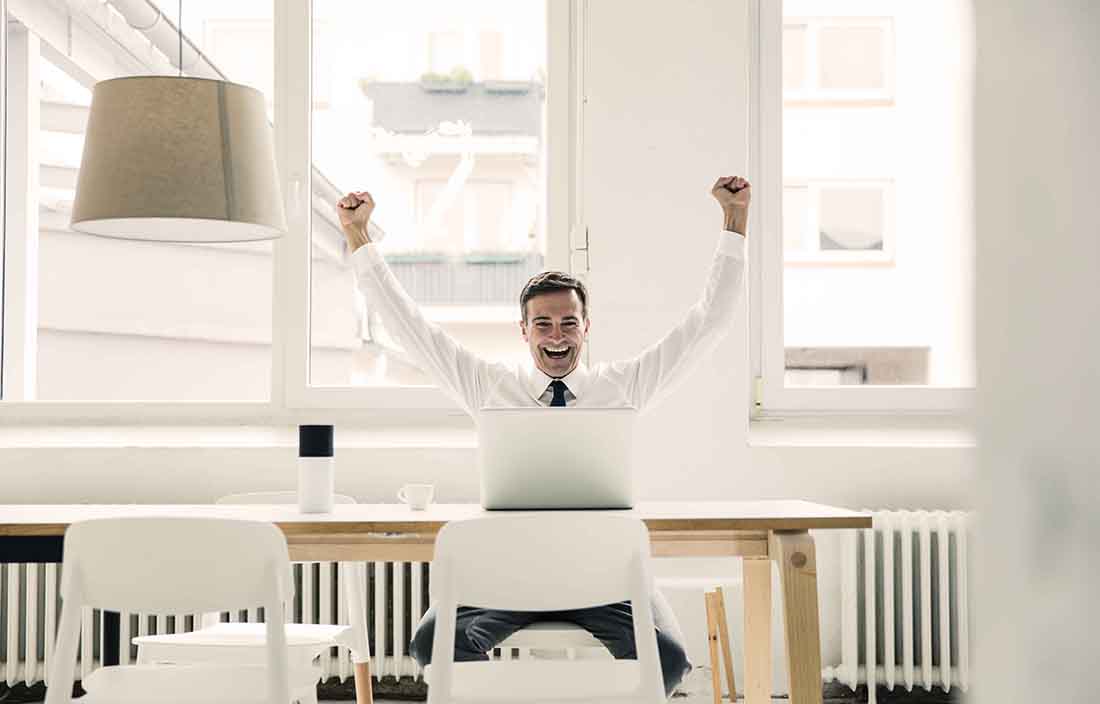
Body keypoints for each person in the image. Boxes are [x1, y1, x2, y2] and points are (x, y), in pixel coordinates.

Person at [336, 175, 750, 698]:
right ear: (524, 330)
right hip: (507, 575)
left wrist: (735, 222)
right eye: (544, 324)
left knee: (667, 660)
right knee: (432, 643)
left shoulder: (623, 386)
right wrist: (358, 236)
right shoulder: (488, 385)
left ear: (586, 327)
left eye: (568, 323)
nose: (557, 336)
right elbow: (410, 328)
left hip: (603, 579)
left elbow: (707, 324)